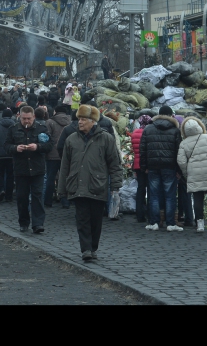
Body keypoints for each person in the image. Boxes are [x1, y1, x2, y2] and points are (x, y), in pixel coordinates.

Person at [58, 105, 122, 262]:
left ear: (93, 121)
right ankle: (86, 249)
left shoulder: (106, 138)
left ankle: (93, 247)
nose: (80, 122)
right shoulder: (71, 139)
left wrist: (115, 186)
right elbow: (64, 165)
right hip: (77, 185)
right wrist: (61, 189)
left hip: (97, 185)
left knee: (96, 220)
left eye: (83, 119)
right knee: (82, 219)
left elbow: (114, 164)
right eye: (79, 119)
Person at [5, 106, 53, 233]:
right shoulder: (13, 129)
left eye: (29, 119)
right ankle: (24, 222)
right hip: (21, 169)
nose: (26, 121)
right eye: (24, 118)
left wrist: (37, 147)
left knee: (37, 196)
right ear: (19, 117)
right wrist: (15, 148)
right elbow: (6, 146)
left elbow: (49, 145)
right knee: (22, 197)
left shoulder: (42, 129)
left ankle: (38, 224)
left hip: (37, 168)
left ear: (34, 117)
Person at [140, 105, 182, 232]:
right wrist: (179, 170)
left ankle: (154, 222)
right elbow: (178, 151)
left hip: (152, 167)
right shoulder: (175, 130)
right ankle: (170, 223)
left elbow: (143, 150)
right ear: (170, 115)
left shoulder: (148, 128)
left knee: (153, 195)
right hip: (170, 167)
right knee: (170, 195)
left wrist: (144, 167)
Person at [177, 117, 207, 233]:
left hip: (194, 173)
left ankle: (200, 224)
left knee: (198, 199)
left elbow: (181, 161)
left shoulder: (184, 143)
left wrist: (187, 173)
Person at [45, 104, 71, 208]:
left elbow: (46, 138)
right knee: (65, 177)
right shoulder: (70, 123)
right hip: (67, 154)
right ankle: (65, 200)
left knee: (50, 178)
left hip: (52, 154)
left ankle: (48, 200)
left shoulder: (50, 122)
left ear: (55, 111)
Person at [130, 115, 152, 223]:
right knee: (151, 189)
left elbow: (133, 149)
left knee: (140, 189)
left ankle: (139, 214)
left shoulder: (134, 133)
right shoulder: (149, 132)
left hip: (137, 164)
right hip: (147, 164)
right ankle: (150, 213)